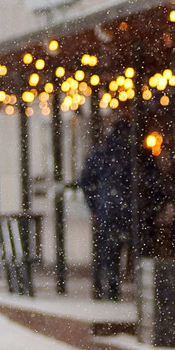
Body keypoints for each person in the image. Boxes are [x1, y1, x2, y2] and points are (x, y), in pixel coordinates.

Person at [76, 110, 143, 301]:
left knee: (107, 252)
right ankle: (131, 288)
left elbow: (86, 181)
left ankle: (107, 287)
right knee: (133, 250)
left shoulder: (101, 154)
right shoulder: (135, 155)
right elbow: (151, 183)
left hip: (108, 211)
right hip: (130, 211)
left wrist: (95, 205)